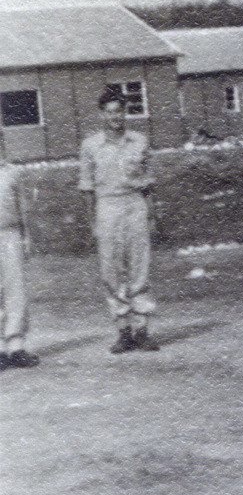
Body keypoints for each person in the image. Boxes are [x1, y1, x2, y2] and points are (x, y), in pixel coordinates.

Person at [78, 88, 158, 353]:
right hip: (107, 207)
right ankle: (123, 331)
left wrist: (151, 214)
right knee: (111, 270)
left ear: (125, 113)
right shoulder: (91, 145)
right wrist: (93, 222)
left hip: (135, 205)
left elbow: (148, 183)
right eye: (110, 112)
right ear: (102, 114)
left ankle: (142, 330)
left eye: (119, 111)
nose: (115, 117)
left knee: (140, 267)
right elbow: (87, 188)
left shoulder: (139, 141)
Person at [0, 132, 36, 368]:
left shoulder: (12, 172)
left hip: (10, 234)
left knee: (16, 289)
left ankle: (16, 346)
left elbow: (23, 209)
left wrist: (26, 237)